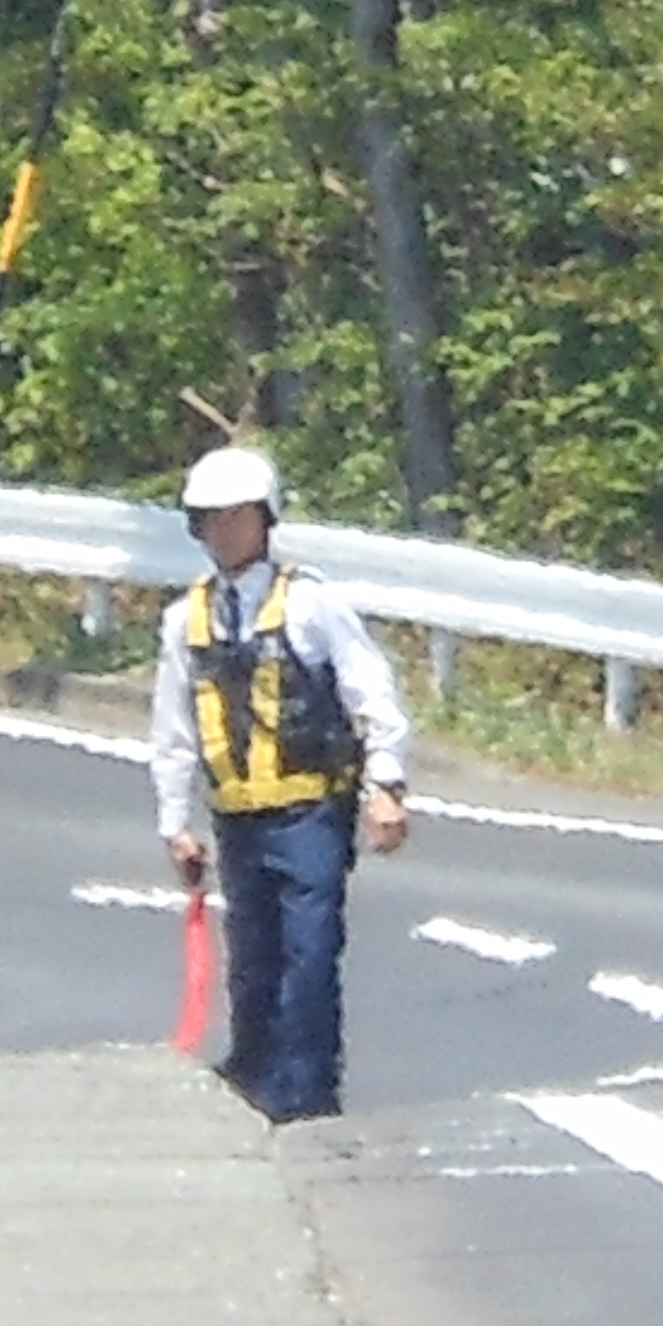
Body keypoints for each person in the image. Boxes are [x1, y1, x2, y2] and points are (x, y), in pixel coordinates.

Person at [149, 445, 410, 1121]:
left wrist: (386, 783)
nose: (223, 531)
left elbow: (370, 689)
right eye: (210, 520)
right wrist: (175, 823)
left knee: (310, 949)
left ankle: (307, 1087)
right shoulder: (187, 620)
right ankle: (253, 1069)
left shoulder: (310, 604)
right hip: (235, 815)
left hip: (310, 811)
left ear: (265, 519)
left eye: (236, 517)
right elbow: (173, 726)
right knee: (252, 953)